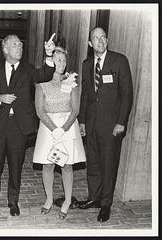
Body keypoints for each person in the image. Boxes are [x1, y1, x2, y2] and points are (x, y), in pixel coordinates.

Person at [0, 34, 55, 216]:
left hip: (19, 126)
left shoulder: (27, 69)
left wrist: (49, 55)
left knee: (16, 166)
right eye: (15, 45)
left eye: (21, 45)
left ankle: (13, 202)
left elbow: (44, 75)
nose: (20, 48)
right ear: (5, 49)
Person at [78, 27, 133, 222]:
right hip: (91, 124)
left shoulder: (119, 61)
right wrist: (82, 121)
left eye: (103, 37)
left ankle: (106, 204)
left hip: (111, 126)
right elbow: (85, 95)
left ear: (107, 40)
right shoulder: (86, 64)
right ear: (90, 43)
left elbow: (127, 95)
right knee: (93, 164)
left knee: (108, 164)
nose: (100, 41)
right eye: (95, 38)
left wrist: (121, 122)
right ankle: (94, 198)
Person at [33, 47, 86, 219]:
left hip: (67, 127)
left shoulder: (71, 81)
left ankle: (67, 200)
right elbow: (40, 110)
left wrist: (63, 129)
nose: (61, 64)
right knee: (48, 164)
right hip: (48, 127)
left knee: (66, 165)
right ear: (51, 61)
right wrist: (53, 128)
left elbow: (76, 109)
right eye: (58, 60)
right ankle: (49, 198)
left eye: (63, 60)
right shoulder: (41, 83)